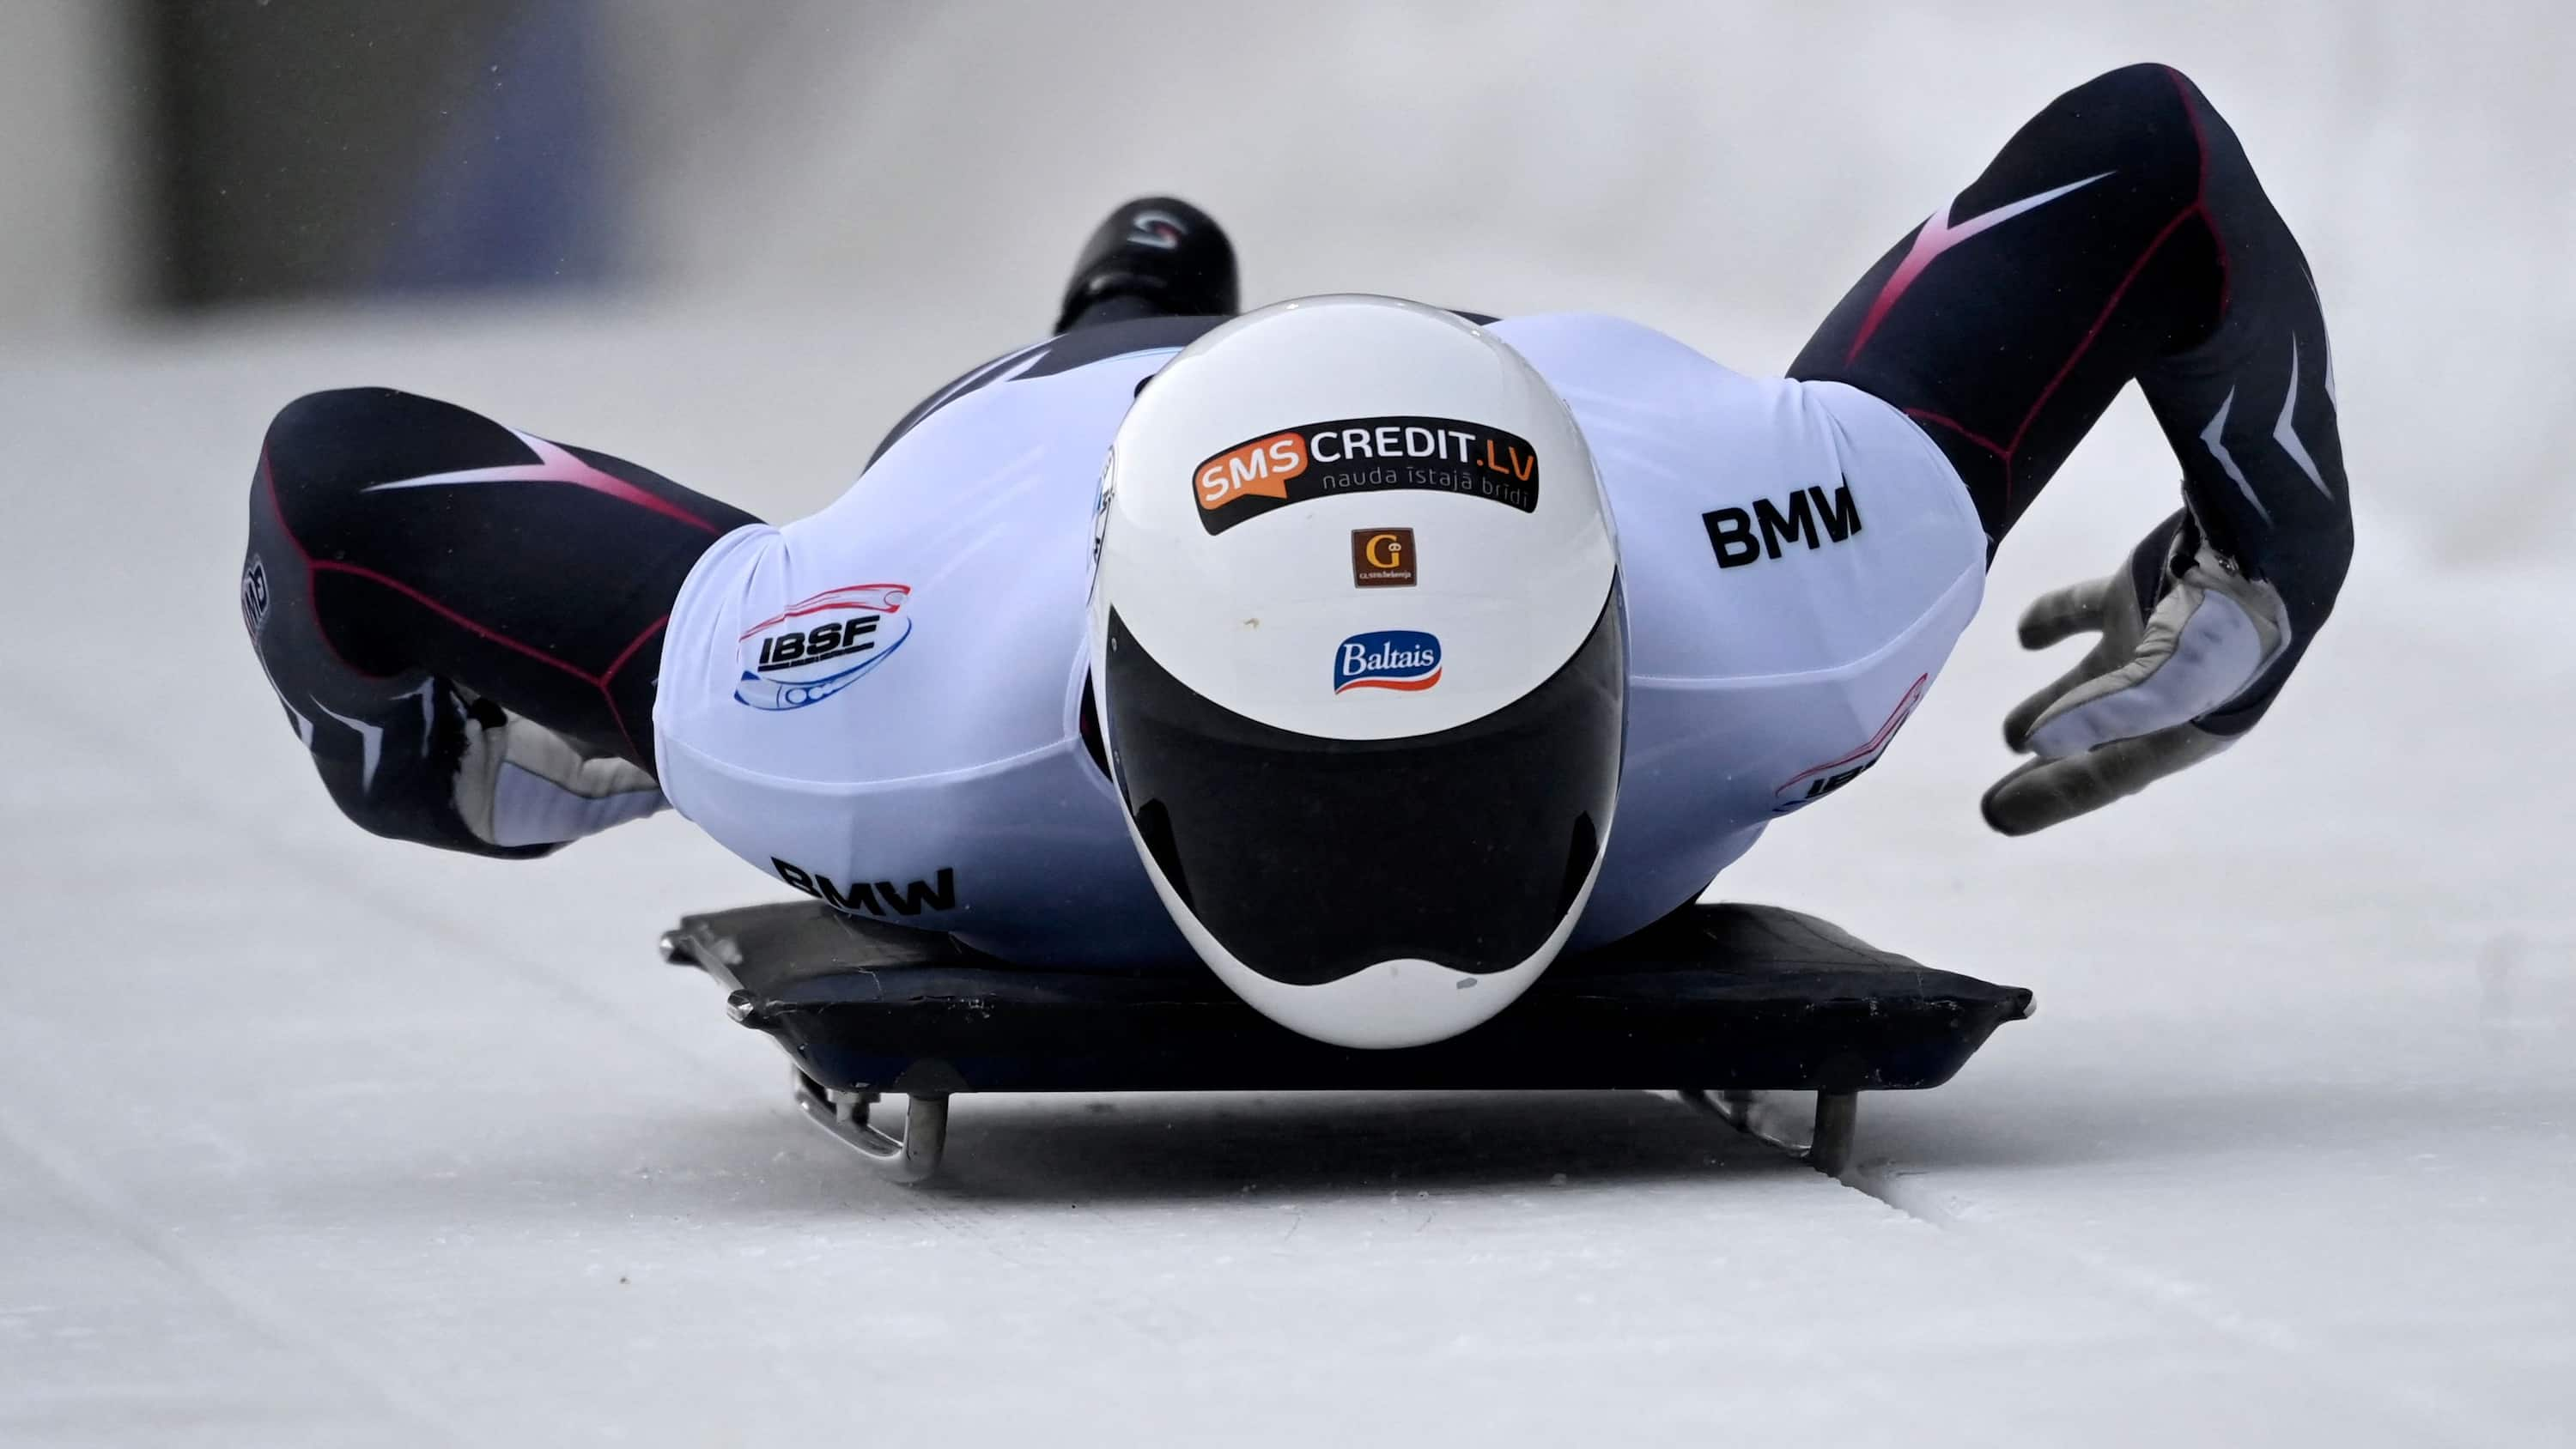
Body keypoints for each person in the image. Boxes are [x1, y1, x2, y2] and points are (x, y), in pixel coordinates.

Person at [240, 64, 2349, 1049]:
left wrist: (448, 767)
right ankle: (1139, 307)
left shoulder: (808, 733)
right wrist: (2272, 543)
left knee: (1149, 319)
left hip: (1518, 408)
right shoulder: (848, 710)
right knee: (1131, 330)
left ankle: (1149, 302)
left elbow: (344, 507)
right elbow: (2145, 172)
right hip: (1036, 455)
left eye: (1469, 782)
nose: (1400, 933)